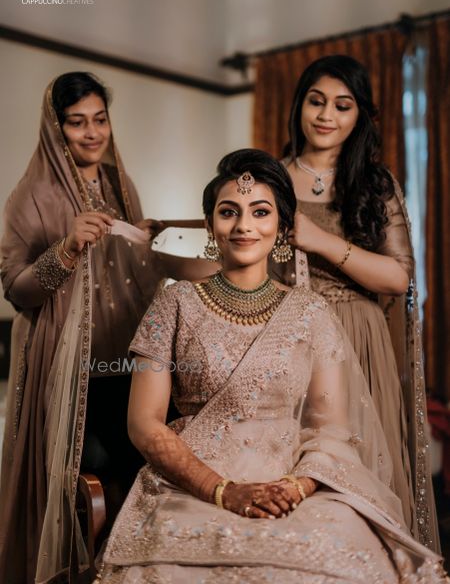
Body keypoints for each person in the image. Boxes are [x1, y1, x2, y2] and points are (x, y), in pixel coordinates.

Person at [97, 148, 446, 583]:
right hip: (193, 486)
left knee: (348, 559)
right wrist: (223, 491)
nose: (244, 226)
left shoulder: (311, 313)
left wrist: (295, 487)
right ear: (209, 225)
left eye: (260, 212)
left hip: (296, 488)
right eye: (229, 212)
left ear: (282, 227)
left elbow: (332, 429)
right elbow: (145, 425)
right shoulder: (173, 304)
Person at [0, 72, 216, 584]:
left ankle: (135, 569)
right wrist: (68, 248)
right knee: (102, 471)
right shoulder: (30, 196)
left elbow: (136, 270)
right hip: (71, 370)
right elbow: (17, 288)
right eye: (77, 123)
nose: (92, 133)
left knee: (151, 462)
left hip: (129, 361)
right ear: (56, 129)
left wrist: (153, 237)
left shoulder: (121, 185)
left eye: (100, 119)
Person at [269, 55, 438, 550]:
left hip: (358, 341)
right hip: (286, 338)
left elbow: (397, 277)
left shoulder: (375, 184)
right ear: (299, 104)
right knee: (294, 475)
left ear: (359, 116)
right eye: (316, 101)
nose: (326, 115)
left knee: (361, 475)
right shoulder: (271, 179)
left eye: (342, 106)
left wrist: (319, 241)